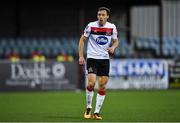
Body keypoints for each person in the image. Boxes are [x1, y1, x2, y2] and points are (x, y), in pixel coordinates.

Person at [78, 7, 119, 120]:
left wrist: (113, 47)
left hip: (105, 59)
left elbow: (116, 41)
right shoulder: (91, 25)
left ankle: (97, 112)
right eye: (99, 14)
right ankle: (88, 108)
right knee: (91, 83)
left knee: (102, 86)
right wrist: (81, 56)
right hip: (92, 58)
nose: (100, 17)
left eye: (102, 15)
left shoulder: (112, 27)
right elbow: (82, 40)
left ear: (107, 16)